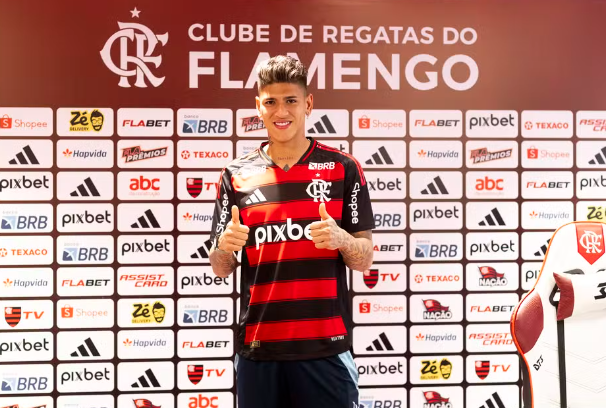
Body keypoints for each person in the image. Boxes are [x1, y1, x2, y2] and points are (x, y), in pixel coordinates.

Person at [209, 55, 374, 408]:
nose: (280, 111)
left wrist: (342, 239)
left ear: (308, 104)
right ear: (259, 106)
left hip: (326, 349)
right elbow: (221, 267)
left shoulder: (343, 168)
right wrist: (224, 247)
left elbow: (363, 260)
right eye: (271, 102)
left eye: (290, 101)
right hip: (258, 349)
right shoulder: (235, 174)